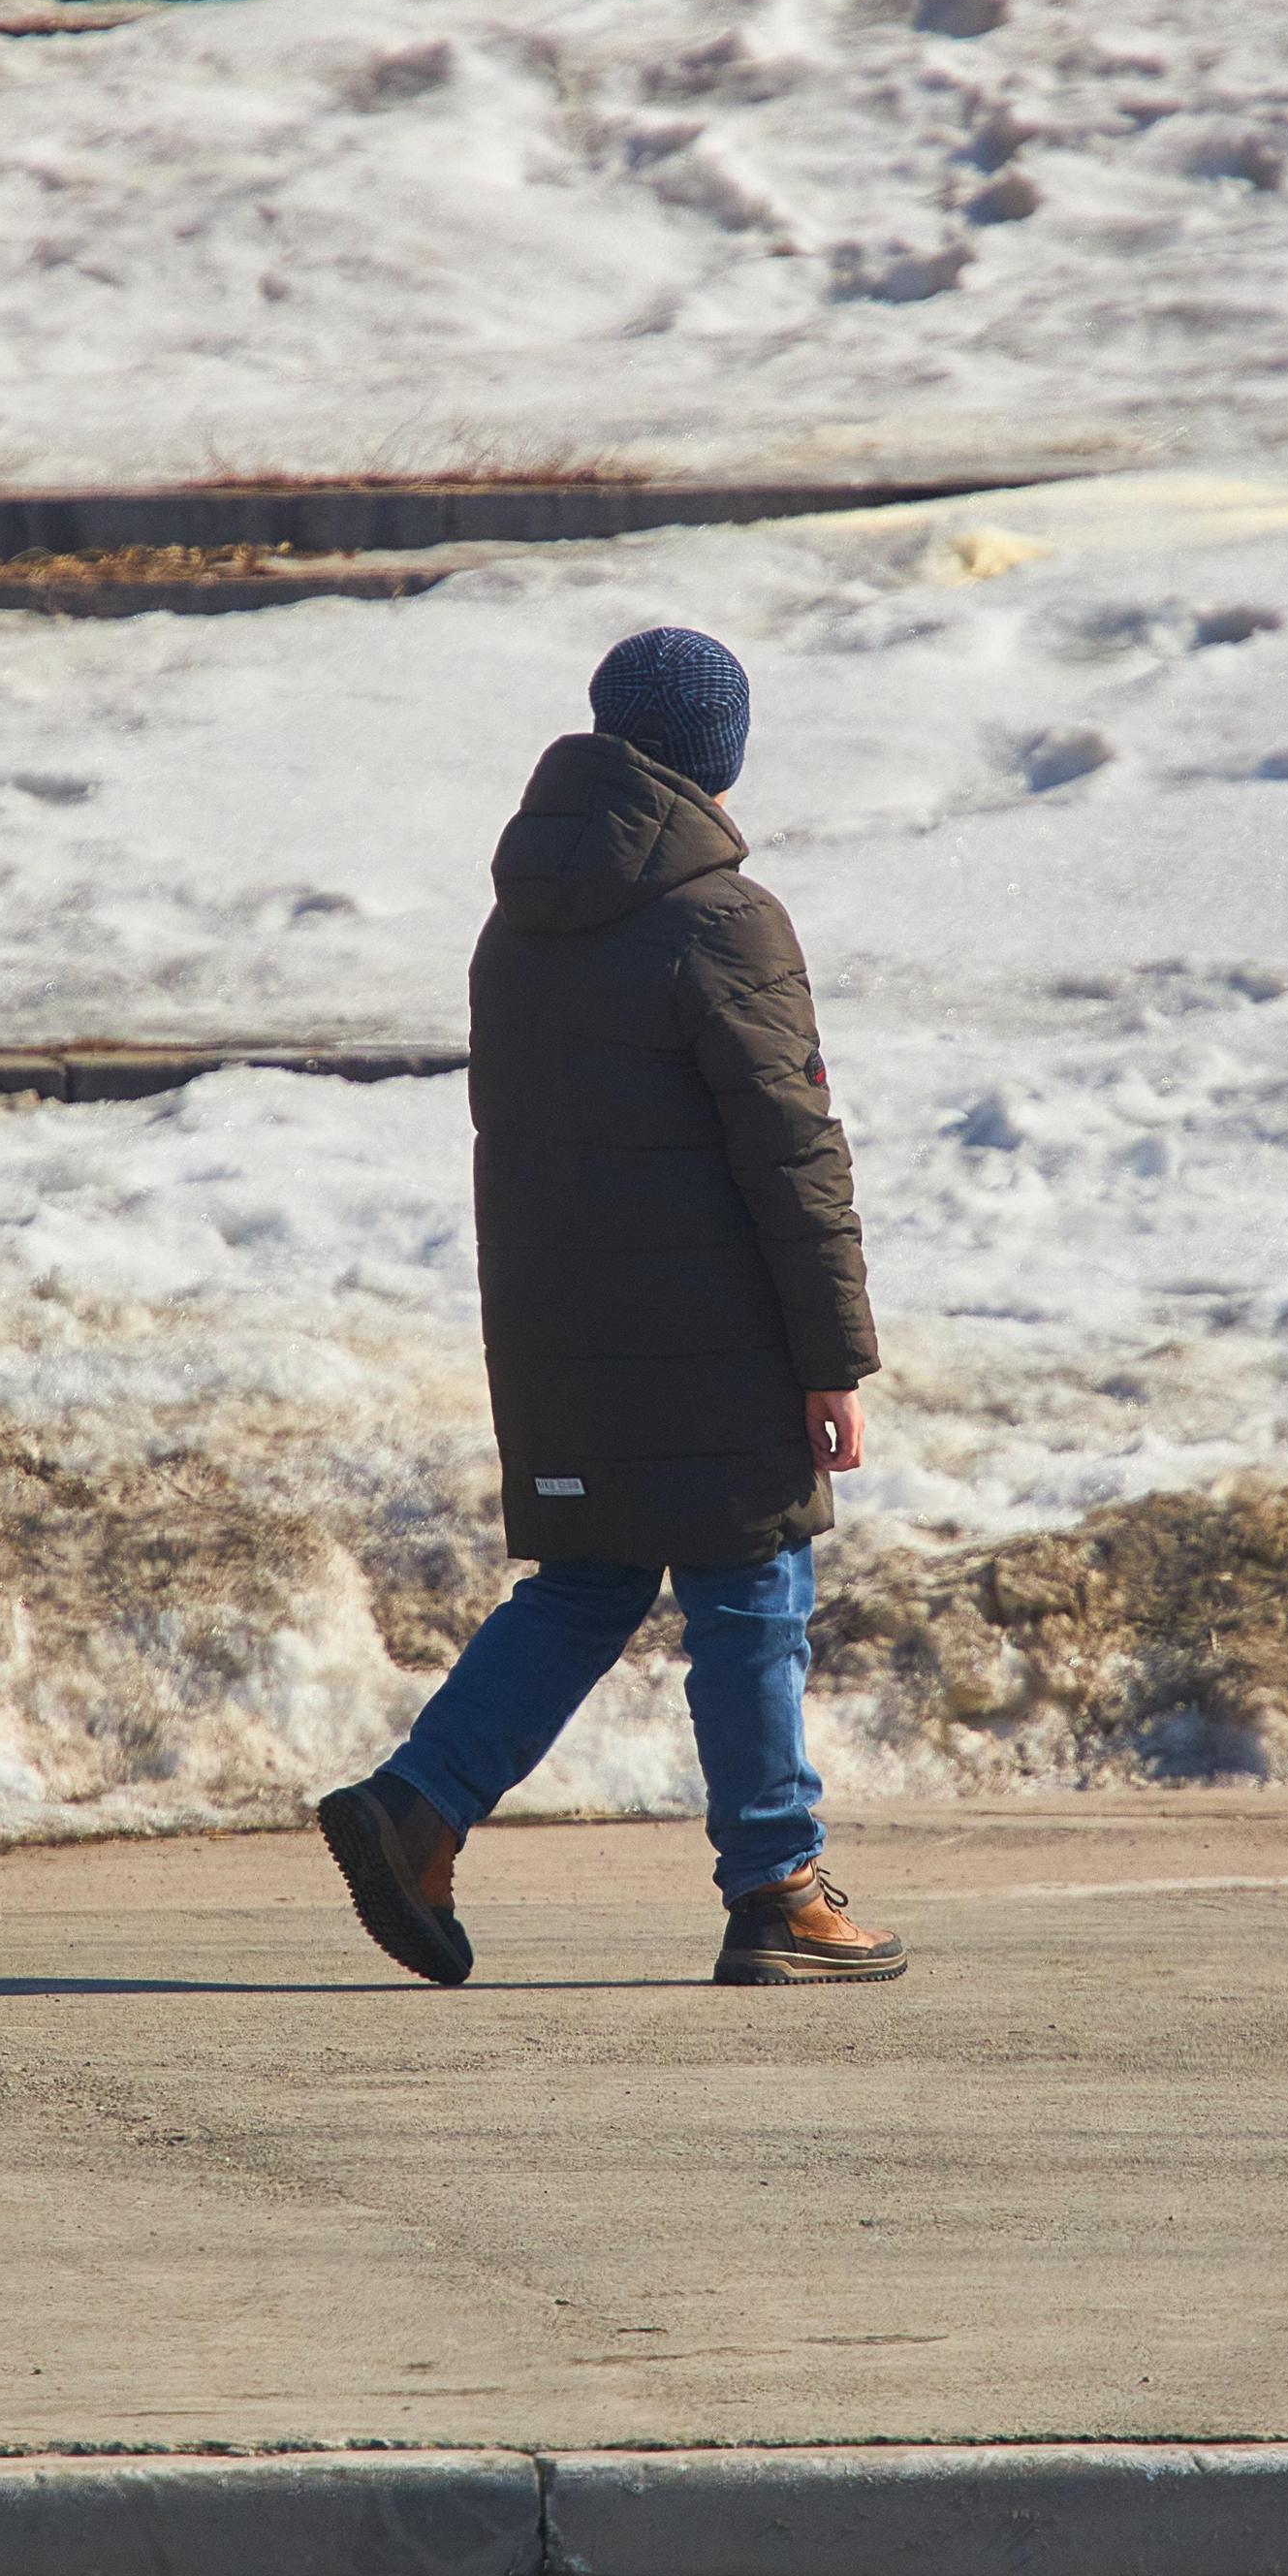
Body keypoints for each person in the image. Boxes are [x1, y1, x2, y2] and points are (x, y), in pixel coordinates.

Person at [317, 624, 901, 1988]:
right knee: (754, 1582)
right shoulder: (723, 917)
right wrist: (831, 1358)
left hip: (561, 1336)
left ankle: (419, 1808)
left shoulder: (515, 925)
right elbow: (793, 1152)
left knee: (591, 1578)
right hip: (709, 1340)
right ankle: (777, 1882)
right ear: (716, 753)